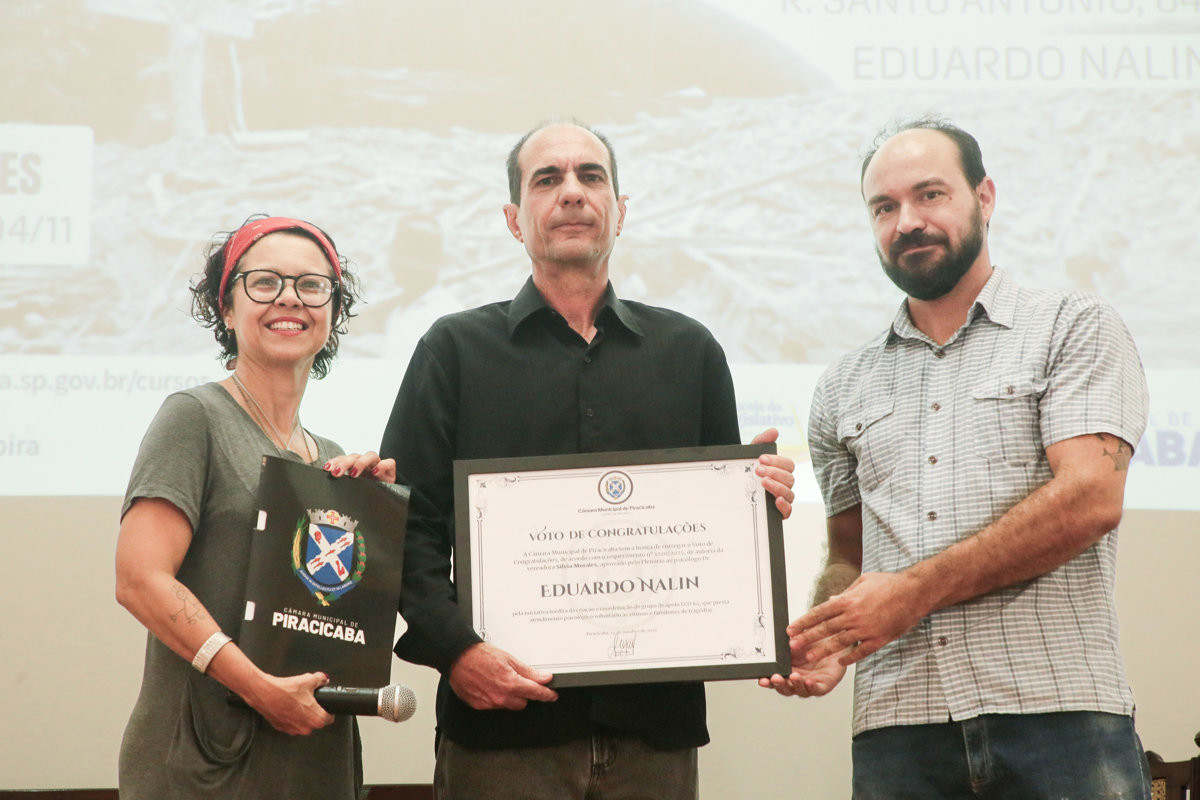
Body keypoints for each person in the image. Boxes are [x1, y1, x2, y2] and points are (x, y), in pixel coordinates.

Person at [380, 121, 797, 800]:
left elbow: (726, 531)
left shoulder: (691, 351)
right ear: (515, 220)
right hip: (503, 729)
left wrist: (757, 501)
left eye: (590, 176)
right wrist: (457, 651)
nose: (571, 192)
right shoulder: (454, 350)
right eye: (547, 179)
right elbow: (406, 526)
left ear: (620, 210)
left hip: (653, 734)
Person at [761, 117, 1152, 799]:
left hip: (1059, 715)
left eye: (930, 194)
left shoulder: (1073, 327)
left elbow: (1092, 499)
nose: (907, 220)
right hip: (899, 727)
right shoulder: (840, 385)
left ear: (985, 197)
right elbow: (849, 556)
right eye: (884, 207)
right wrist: (828, 641)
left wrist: (908, 596)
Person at [115, 215, 396, 799]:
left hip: (312, 759)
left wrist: (377, 516)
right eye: (264, 282)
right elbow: (139, 579)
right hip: (205, 757)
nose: (289, 299)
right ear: (226, 307)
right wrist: (256, 687)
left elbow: (334, 617)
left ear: (334, 312)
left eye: (312, 285)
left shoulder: (334, 461)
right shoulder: (194, 418)